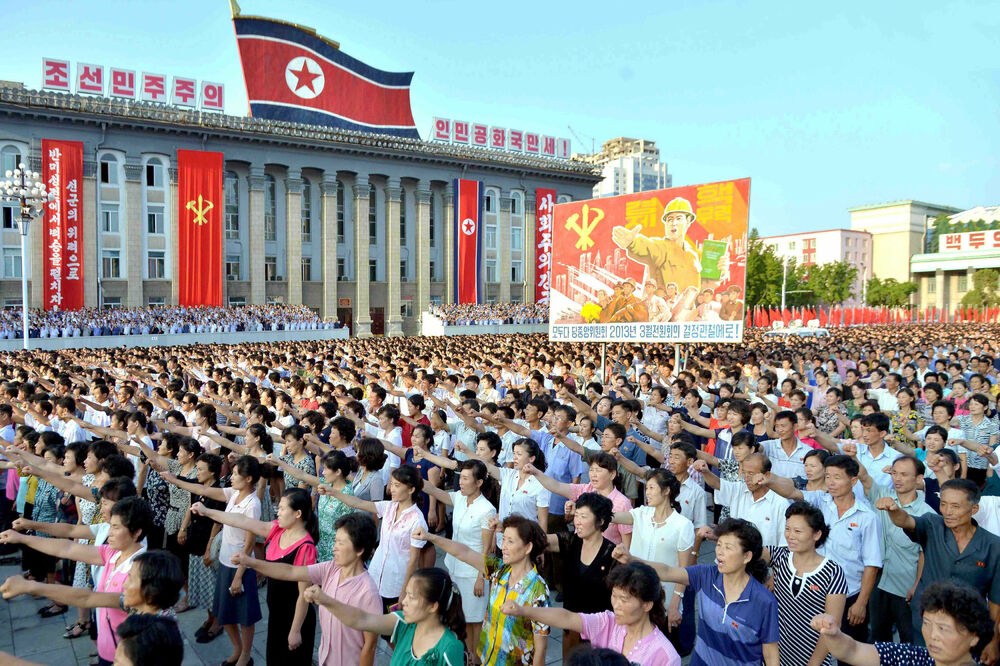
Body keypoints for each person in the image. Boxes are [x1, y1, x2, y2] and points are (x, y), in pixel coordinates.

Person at [0, 496, 152, 666]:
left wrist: (30, 586)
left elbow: (85, 598)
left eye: (116, 527)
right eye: (110, 526)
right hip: (109, 649)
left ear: (137, 531)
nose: (109, 533)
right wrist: (23, 538)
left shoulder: (139, 572)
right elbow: (68, 548)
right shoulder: (114, 553)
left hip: (128, 657)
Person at [613, 517, 779, 665]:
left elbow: (771, 654)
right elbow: (667, 571)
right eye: (719, 544)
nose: (720, 551)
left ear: (747, 557)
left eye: (728, 547)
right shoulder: (707, 575)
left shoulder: (763, 600)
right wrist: (632, 559)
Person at [230, 512, 381, 666]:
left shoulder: (368, 592)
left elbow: (369, 647)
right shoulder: (331, 569)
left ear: (359, 549)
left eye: (341, 543)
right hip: (326, 659)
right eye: (335, 542)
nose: (334, 548)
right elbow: (290, 571)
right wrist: (250, 562)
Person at [191, 486, 318, 666]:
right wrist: (207, 511)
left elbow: (303, 598)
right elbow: (241, 520)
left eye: (282, 508)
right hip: (277, 614)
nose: (278, 512)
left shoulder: (305, 547)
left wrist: (295, 630)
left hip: (295, 618)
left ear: (297, 514)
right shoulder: (277, 530)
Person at [876, 477, 1000, 658]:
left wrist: (994, 640)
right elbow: (906, 521)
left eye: (956, 506)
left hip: (966, 631)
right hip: (925, 624)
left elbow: (996, 600)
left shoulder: (992, 545)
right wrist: (893, 510)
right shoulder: (932, 525)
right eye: (943, 504)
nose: (948, 512)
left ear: (974, 509)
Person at [163, 455, 263, 666]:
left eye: (236, 474)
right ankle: (237, 650)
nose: (231, 477)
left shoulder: (252, 504)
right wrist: (175, 480)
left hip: (240, 566)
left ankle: (245, 654)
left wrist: (238, 576)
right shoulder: (234, 493)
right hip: (225, 562)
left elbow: (249, 543)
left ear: (249, 479)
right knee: (223, 611)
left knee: (245, 616)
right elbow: (204, 490)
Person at [416, 515, 551, 666]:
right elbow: (464, 553)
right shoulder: (500, 570)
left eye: (510, 541)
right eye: (504, 539)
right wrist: (430, 537)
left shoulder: (538, 590)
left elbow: (541, 648)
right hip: (487, 659)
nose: (503, 546)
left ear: (528, 547)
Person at [500, 561, 681, 665]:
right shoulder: (609, 623)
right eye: (614, 596)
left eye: (624, 599)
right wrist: (524, 610)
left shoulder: (665, 655)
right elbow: (567, 618)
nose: (616, 605)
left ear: (647, 605)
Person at [303, 566, 467, 666]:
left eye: (412, 597)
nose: (404, 602)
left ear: (433, 606)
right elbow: (361, 620)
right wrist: (325, 600)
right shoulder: (403, 622)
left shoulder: (449, 647)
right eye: (406, 594)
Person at [318, 463, 428, 611]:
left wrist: (405, 591)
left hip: (396, 583)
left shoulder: (417, 520)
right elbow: (358, 503)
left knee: (389, 628)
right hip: (375, 575)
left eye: (397, 485)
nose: (391, 489)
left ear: (411, 489)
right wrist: (333, 492)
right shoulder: (389, 507)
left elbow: (414, 560)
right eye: (391, 484)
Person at [611, 468, 696, 655]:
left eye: (651, 488)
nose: (647, 492)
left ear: (666, 491)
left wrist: (675, 605)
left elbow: (684, 571)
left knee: (661, 651)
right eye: (646, 488)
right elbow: (612, 516)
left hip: (664, 599)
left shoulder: (682, 525)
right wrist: (593, 508)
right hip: (634, 594)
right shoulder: (641, 514)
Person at [811, 580, 995, 666]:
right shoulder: (913, 658)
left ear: (973, 636)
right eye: (927, 624)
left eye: (943, 628)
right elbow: (853, 651)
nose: (932, 636)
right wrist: (834, 634)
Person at [419, 458, 497, 656]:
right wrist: (415, 479)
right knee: (461, 617)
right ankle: (465, 654)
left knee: (475, 620)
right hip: (455, 568)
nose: (460, 482)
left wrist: (481, 577)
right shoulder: (460, 498)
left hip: (474, 574)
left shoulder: (486, 509)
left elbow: (488, 550)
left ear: (479, 482)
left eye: (465, 478)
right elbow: (435, 491)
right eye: (460, 478)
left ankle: (475, 658)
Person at [762, 500, 848, 666]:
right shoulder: (780, 556)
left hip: (813, 659)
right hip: (776, 657)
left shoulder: (833, 572)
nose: (790, 535)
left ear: (816, 534)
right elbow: (750, 550)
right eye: (787, 529)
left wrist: (813, 664)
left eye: (798, 531)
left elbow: (832, 626)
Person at [545, 492, 619, 658]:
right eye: (576, 515)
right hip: (571, 628)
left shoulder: (612, 554)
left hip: (599, 634)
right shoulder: (571, 541)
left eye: (583, 516)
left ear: (600, 521)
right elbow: (540, 540)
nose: (577, 521)